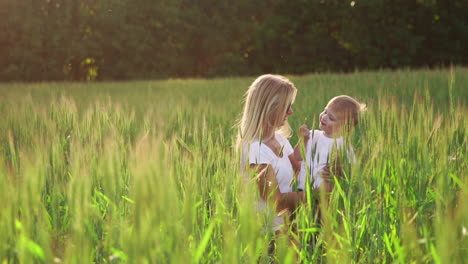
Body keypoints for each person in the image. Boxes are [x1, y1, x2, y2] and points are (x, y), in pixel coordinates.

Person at [237, 74, 305, 233]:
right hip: (267, 236)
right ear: (269, 107)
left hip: (286, 228)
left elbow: (301, 170)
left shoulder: (281, 141)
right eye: (286, 106)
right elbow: (276, 201)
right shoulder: (254, 150)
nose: (291, 112)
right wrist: (317, 195)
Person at [294, 95, 366, 193]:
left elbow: (352, 174)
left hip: (327, 194)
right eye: (325, 111)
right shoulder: (312, 135)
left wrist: (340, 171)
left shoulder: (345, 147)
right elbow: (297, 157)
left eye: (331, 118)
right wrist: (303, 140)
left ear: (345, 127)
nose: (323, 117)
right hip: (303, 190)